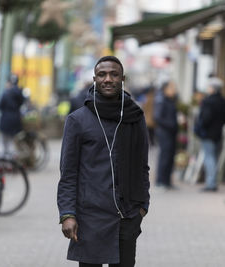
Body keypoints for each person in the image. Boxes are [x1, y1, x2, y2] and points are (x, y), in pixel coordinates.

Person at [57, 56, 150, 267]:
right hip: (90, 217)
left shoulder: (135, 116)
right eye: (102, 74)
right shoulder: (77, 120)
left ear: (122, 78)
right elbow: (68, 173)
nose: (108, 79)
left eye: (114, 74)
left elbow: (142, 166)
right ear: (95, 79)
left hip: (126, 216)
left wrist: (142, 207)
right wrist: (67, 214)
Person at [196, 77, 225, 192]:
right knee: (214, 156)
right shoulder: (224, 101)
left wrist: (201, 127)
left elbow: (205, 118)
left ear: (213, 89)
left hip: (208, 133)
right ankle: (212, 181)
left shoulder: (208, 101)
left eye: (209, 87)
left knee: (209, 157)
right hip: (218, 133)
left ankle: (211, 183)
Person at [153, 81, 178, 189]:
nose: (174, 90)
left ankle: (167, 181)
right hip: (164, 133)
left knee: (170, 157)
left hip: (171, 132)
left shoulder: (171, 100)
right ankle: (160, 181)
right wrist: (171, 124)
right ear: (166, 89)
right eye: (172, 88)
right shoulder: (161, 100)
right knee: (164, 156)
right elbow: (157, 117)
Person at [0, 74, 25, 156]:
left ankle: (2, 161)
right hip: (16, 119)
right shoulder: (19, 92)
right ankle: (12, 162)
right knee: (12, 142)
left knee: (3, 142)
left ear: (9, 82)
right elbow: (22, 103)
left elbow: (0, 106)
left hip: (5, 119)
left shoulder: (6, 92)